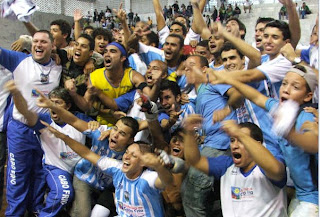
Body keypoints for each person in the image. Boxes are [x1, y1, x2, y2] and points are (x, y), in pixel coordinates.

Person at [212, 64, 318, 216]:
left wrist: (290, 133)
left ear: (308, 96)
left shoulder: (307, 116)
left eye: (295, 87)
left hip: (312, 199)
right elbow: (255, 96)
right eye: (284, 83)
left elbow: (313, 144)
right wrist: (230, 80)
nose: (286, 89)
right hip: (300, 195)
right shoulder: (280, 109)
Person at [42, 125, 174, 217]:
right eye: (127, 152)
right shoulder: (117, 168)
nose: (126, 157)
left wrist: (159, 166)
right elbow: (87, 154)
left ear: (144, 163)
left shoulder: (148, 178)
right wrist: (64, 137)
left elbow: (167, 181)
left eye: (134, 156)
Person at [5, 84, 92, 216]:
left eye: (57, 103)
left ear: (68, 106)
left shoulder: (80, 118)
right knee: (63, 193)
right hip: (56, 168)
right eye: (50, 102)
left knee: (83, 212)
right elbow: (25, 112)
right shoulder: (43, 120)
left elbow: (99, 130)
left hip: (80, 170)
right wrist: (16, 93)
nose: (52, 106)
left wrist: (95, 124)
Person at [0, 30, 62, 216]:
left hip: (45, 131)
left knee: (39, 173)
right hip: (20, 129)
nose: (38, 45)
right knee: (17, 176)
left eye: (43, 42)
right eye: (35, 41)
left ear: (52, 46)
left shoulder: (60, 65)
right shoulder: (18, 60)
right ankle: (15, 213)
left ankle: (34, 211)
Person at [183, 116, 287, 217]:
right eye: (232, 140)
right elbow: (195, 161)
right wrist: (189, 131)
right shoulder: (226, 165)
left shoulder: (269, 164)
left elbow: (276, 170)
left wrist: (237, 132)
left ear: (257, 144)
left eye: (241, 140)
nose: (234, 145)